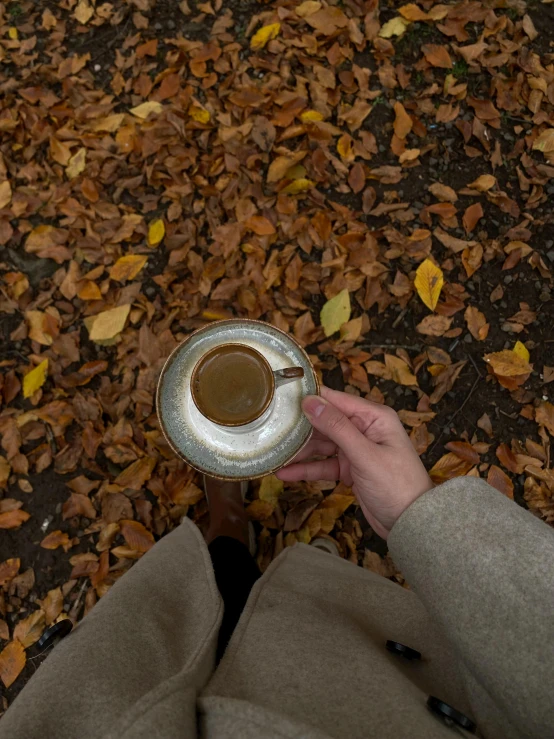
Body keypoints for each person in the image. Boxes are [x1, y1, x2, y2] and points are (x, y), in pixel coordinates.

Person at [1, 387, 553, 739]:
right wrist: (415, 517)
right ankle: (259, 547)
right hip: (388, 691)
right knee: (311, 619)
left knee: (195, 612)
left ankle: (230, 531)